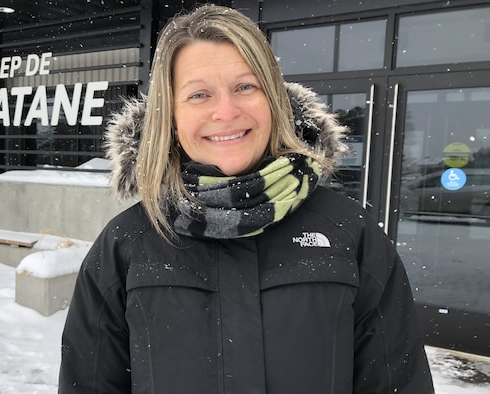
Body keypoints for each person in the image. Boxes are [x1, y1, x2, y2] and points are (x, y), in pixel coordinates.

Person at [59, 4, 434, 393]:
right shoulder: (126, 244)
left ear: (272, 99)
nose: (226, 111)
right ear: (169, 116)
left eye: (245, 86)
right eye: (199, 94)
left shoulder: (347, 232)